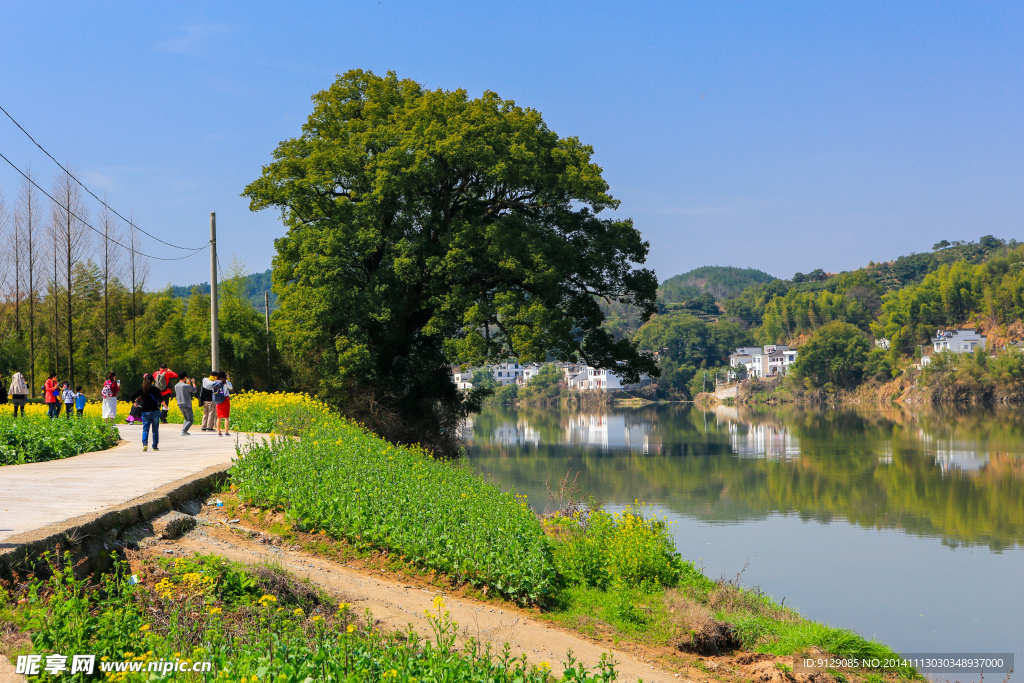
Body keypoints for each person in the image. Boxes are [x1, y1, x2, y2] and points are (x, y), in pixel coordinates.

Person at [127, 374, 164, 451]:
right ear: (153, 381)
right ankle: (155, 446)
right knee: (155, 430)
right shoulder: (156, 389)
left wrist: (134, 402)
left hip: (145, 412)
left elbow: (132, 396)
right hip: (155, 411)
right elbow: (161, 399)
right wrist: (165, 407)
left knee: (145, 429)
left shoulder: (142, 389)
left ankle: (145, 444)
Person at [212, 371, 233, 436]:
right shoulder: (225, 382)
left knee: (219, 417)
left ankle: (219, 432)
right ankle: (226, 432)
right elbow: (231, 387)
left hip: (218, 400)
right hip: (225, 400)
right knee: (226, 417)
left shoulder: (215, 382)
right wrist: (227, 379)